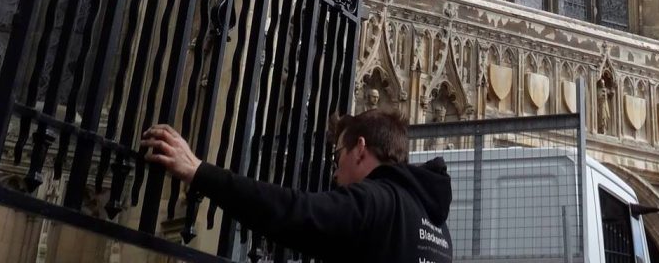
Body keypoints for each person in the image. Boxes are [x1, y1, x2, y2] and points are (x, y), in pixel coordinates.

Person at [142, 108, 452, 263]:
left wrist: (199, 172)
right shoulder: (436, 226)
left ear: (360, 148)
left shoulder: (377, 202)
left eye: (337, 155)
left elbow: (292, 213)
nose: (334, 172)